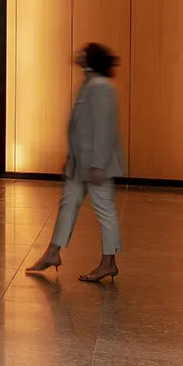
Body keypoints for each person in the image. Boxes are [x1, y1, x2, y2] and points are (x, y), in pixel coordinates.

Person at [27, 42, 123, 283]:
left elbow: (104, 130)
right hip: (81, 164)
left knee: (104, 211)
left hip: (95, 166)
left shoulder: (101, 87)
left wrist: (99, 165)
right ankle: (53, 251)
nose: (78, 54)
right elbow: (80, 128)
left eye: (84, 52)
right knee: (68, 203)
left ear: (91, 59)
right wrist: (71, 159)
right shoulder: (89, 84)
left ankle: (108, 262)